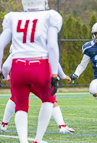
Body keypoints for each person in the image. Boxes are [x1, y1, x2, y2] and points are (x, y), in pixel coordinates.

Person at [0, 0, 61, 142]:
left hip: (18, 66)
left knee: (20, 105)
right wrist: (55, 74)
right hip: (40, 64)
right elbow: (52, 46)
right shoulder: (51, 16)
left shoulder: (12, 16)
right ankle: (38, 139)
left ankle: (23, 140)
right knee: (48, 100)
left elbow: (1, 44)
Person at [0, 50, 75, 134]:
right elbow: (54, 61)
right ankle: (62, 126)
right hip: (39, 74)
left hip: (21, 75)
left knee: (15, 99)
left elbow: (6, 66)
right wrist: (63, 75)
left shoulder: (18, 44)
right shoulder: (41, 44)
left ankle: (4, 124)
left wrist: (5, 77)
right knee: (50, 100)